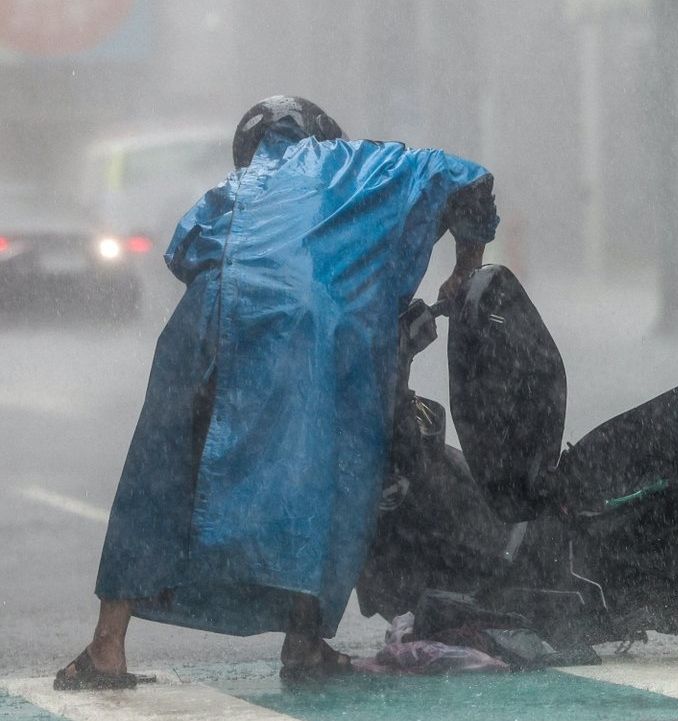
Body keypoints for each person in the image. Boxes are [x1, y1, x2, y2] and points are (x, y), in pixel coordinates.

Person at [54, 96, 499, 689]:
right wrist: (466, 264)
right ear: (320, 129)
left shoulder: (230, 191)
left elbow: (183, 252)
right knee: (325, 480)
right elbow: (468, 178)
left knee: (158, 477)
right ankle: (305, 643)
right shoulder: (359, 164)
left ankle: (107, 646)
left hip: (208, 323)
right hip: (308, 333)